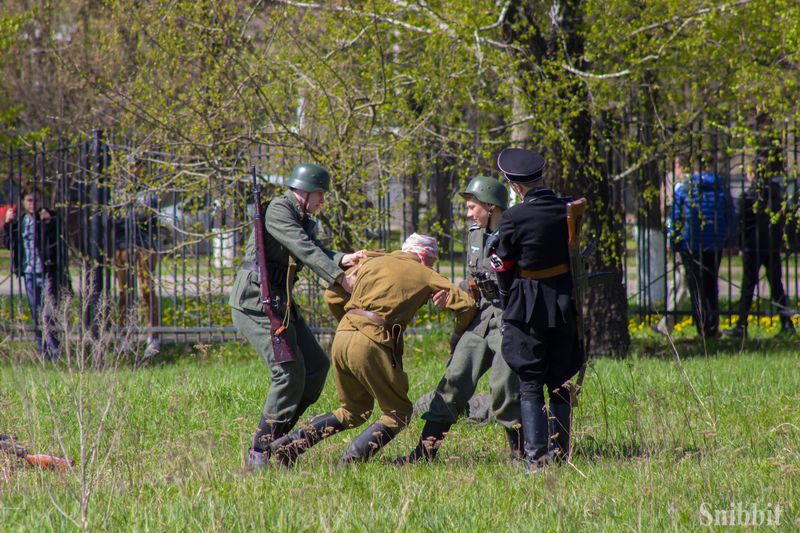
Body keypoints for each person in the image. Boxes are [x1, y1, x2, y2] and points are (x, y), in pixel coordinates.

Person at [267, 233, 477, 468]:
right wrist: (458, 334)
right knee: (398, 413)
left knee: (352, 411)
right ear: (424, 256)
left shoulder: (371, 261)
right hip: (372, 340)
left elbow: (332, 295)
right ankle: (351, 462)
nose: (433, 265)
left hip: (343, 337)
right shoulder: (425, 273)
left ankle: (288, 447)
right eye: (433, 260)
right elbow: (467, 305)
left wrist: (349, 326)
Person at [229, 163, 366, 470]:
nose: (322, 201)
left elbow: (315, 247)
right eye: (320, 194)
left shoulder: (303, 218)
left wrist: (344, 259)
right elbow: (302, 248)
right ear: (304, 191)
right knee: (288, 372)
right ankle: (260, 451)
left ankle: (281, 438)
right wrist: (339, 278)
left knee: (316, 368)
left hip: (281, 301)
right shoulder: (280, 210)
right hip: (256, 302)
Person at [397, 176, 523, 464]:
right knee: (454, 379)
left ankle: (522, 455)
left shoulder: (515, 233)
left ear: (491, 207)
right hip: (482, 315)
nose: (468, 213)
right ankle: (425, 453)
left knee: (504, 386)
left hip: (511, 316)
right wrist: (460, 319)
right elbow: (474, 284)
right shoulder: (475, 235)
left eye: (472, 207)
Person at [489, 148, 584, 473]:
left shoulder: (515, 217)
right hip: (562, 303)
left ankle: (536, 460)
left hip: (527, 305)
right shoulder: (565, 209)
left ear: (515, 185)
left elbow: (503, 263)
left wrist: (505, 295)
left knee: (530, 381)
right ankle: (561, 453)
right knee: (559, 379)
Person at [723, 150, 794, 338]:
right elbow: (782, 219)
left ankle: (742, 324)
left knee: (748, 286)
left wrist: (741, 244)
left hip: (753, 247)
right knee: (777, 286)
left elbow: (741, 223)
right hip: (771, 246)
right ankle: (786, 323)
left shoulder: (749, 195)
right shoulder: (776, 193)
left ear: (753, 173)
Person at [668, 155, 734, 338]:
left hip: (692, 242)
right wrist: (728, 238)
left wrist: (675, 240)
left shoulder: (685, 187)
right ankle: (713, 325)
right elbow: (731, 214)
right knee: (711, 283)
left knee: (695, 285)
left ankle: (702, 325)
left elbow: (675, 216)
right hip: (715, 241)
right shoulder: (720, 186)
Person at [3, 186, 70, 361]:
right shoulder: (22, 222)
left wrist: (50, 222)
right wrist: (8, 223)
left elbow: (58, 239)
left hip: (46, 271)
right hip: (29, 272)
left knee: (48, 313)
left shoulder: (48, 217)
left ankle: (54, 351)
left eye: (36, 200)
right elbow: (9, 243)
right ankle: (43, 350)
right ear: (23, 202)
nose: (33, 204)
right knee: (35, 312)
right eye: (29, 200)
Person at [114, 157, 161, 357]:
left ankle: (153, 338)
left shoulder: (148, 192)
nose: (134, 170)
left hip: (144, 245)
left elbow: (146, 216)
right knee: (124, 293)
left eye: (137, 166)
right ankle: (125, 337)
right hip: (123, 245)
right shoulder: (119, 192)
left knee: (146, 291)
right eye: (131, 167)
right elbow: (115, 218)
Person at [654, 154, 691, 336]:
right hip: (675, 238)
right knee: (675, 283)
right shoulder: (670, 181)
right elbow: (665, 211)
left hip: (685, 239)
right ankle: (666, 324)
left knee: (682, 283)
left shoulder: (689, 184)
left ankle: (666, 323)